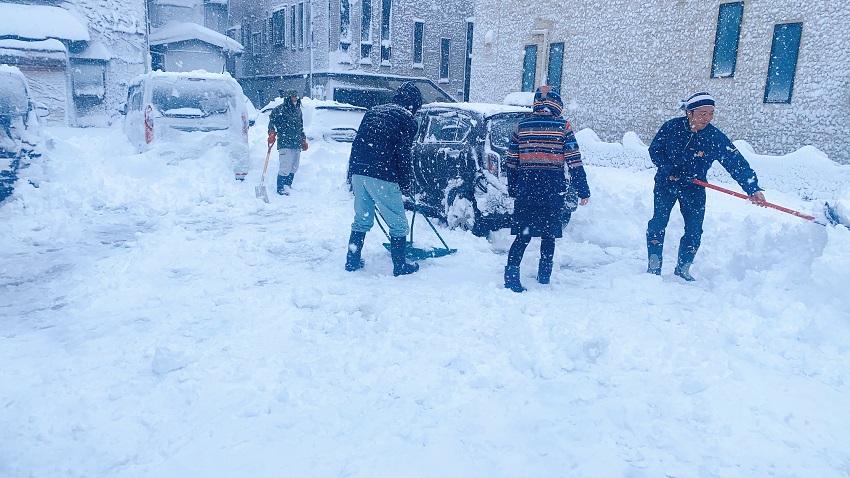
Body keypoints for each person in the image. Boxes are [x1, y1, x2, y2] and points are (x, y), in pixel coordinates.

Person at [646, 92, 766, 281]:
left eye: (711, 113)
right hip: (666, 183)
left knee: (694, 230)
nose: (707, 118)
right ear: (689, 113)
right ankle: (654, 265)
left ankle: (683, 269)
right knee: (658, 223)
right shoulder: (671, 128)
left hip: (694, 187)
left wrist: (752, 188)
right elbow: (655, 150)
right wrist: (668, 169)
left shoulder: (714, 137)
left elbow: (735, 162)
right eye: (703, 113)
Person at [503, 85, 591, 293]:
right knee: (548, 235)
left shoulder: (521, 127)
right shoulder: (563, 127)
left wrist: (514, 187)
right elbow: (574, 161)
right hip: (552, 189)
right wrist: (583, 190)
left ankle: (511, 276)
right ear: (557, 105)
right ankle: (544, 275)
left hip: (526, 188)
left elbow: (511, 161)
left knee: (522, 236)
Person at [344, 82, 423, 276]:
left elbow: (357, 142)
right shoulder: (407, 119)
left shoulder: (373, 111)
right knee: (398, 222)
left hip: (359, 171)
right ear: (413, 104)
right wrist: (405, 182)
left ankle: (352, 260)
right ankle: (400, 265)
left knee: (362, 218)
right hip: (382, 173)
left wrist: (350, 175)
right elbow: (403, 153)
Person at [267, 90, 308, 196]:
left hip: (296, 143)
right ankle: (280, 188)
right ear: (289, 98)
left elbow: (300, 127)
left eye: (297, 97)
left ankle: (288, 185)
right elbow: (272, 122)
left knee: (294, 166)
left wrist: (303, 139)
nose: (296, 99)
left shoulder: (298, 111)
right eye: (294, 97)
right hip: (285, 142)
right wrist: (272, 133)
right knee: (285, 166)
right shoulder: (280, 110)